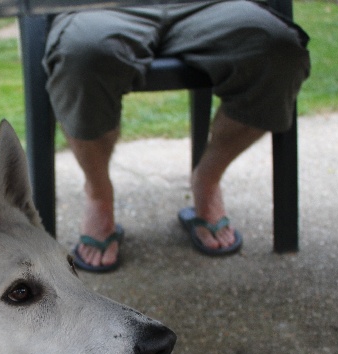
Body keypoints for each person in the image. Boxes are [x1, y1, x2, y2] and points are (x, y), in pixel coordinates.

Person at [43, 0, 311, 271]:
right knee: (83, 56)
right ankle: (98, 193)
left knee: (279, 51)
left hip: (211, 6)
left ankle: (207, 179)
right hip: (98, 7)